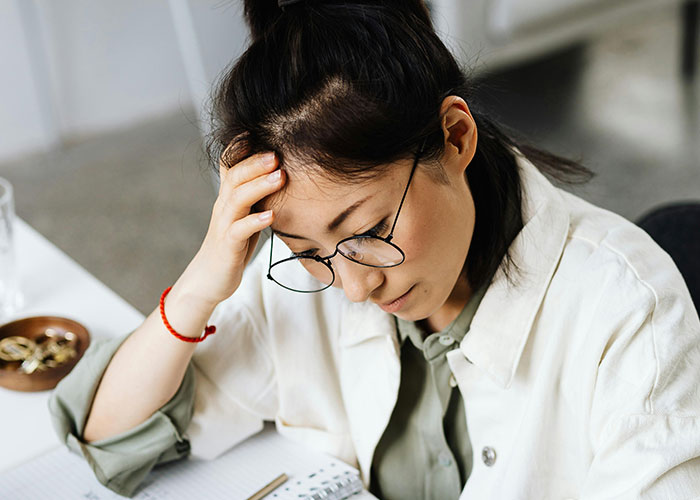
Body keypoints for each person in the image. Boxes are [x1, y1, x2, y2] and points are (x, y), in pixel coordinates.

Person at [49, 0, 700, 498]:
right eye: (305, 248)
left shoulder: (625, 309)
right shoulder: (305, 285)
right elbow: (112, 440)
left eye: (366, 232)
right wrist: (202, 282)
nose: (355, 288)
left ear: (455, 135)